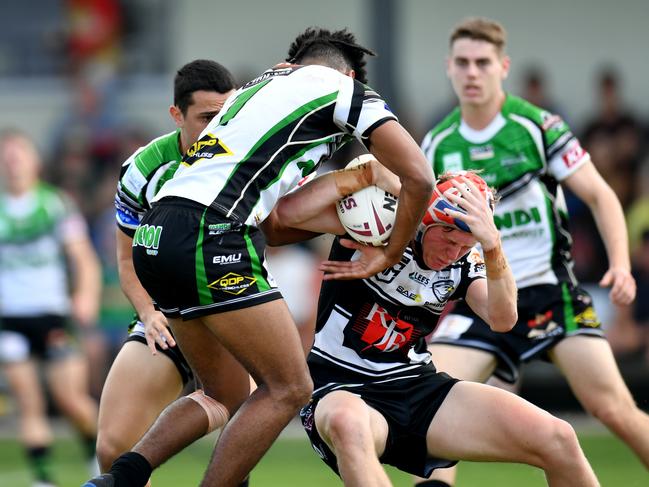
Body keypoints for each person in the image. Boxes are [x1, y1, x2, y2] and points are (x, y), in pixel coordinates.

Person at [84, 26, 434, 487]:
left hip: (158, 232)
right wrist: (389, 253)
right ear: (348, 72)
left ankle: (118, 478)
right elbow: (420, 178)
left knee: (224, 394)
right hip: (213, 234)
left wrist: (349, 186)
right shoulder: (347, 90)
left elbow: (275, 222)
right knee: (290, 387)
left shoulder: (260, 87)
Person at [415, 17, 647, 487]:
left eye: (482, 63)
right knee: (429, 405)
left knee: (614, 409)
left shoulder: (537, 126)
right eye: (462, 62)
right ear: (449, 68)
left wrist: (620, 265)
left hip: (548, 291)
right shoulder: (437, 144)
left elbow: (602, 196)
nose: (472, 73)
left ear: (503, 67)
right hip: (482, 295)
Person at [277, 164, 599, 487]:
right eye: (447, 235)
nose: (453, 251)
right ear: (427, 216)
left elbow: (503, 318)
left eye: (465, 243)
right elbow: (287, 214)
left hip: (415, 387)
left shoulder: (464, 261)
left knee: (559, 438)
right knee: (348, 424)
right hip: (340, 385)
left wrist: (493, 246)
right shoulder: (379, 221)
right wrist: (366, 174)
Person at [94, 59, 239, 480]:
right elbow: (126, 261)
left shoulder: (244, 155)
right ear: (176, 114)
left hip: (237, 306)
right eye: (207, 118)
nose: (217, 128)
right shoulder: (142, 170)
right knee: (112, 445)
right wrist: (148, 313)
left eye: (225, 116)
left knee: (239, 430)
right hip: (168, 312)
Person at [0, 129, 102, 487]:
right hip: (10, 319)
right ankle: (43, 480)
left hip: (53, 315)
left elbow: (83, 259)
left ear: (34, 161)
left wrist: (86, 296)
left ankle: (99, 453)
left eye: (19, 154)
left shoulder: (54, 204)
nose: (12, 162)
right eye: (6, 156)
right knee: (28, 403)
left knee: (71, 400)